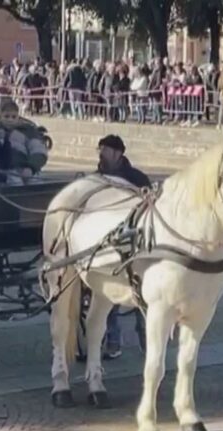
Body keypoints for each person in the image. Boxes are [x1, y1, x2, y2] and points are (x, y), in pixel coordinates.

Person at [93, 134, 151, 359]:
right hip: (108, 244)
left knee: (143, 297)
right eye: (99, 150)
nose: (100, 154)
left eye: (104, 150)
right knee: (108, 293)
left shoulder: (137, 178)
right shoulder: (97, 178)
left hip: (136, 245)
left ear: (118, 153)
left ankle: (147, 340)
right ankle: (113, 341)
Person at [0, 99, 49, 185]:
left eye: (13, 117)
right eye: (6, 116)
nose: (10, 120)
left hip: (25, 168)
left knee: (35, 184)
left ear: (18, 117)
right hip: (0, 171)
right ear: (0, 117)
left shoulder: (28, 131)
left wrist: (31, 167)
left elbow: (39, 151)